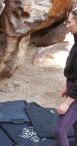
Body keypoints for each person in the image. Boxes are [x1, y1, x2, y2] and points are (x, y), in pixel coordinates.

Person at [55, 8, 77, 146]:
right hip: (72, 87)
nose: (67, 25)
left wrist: (67, 102)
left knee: (60, 131)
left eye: (70, 22)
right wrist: (67, 86)